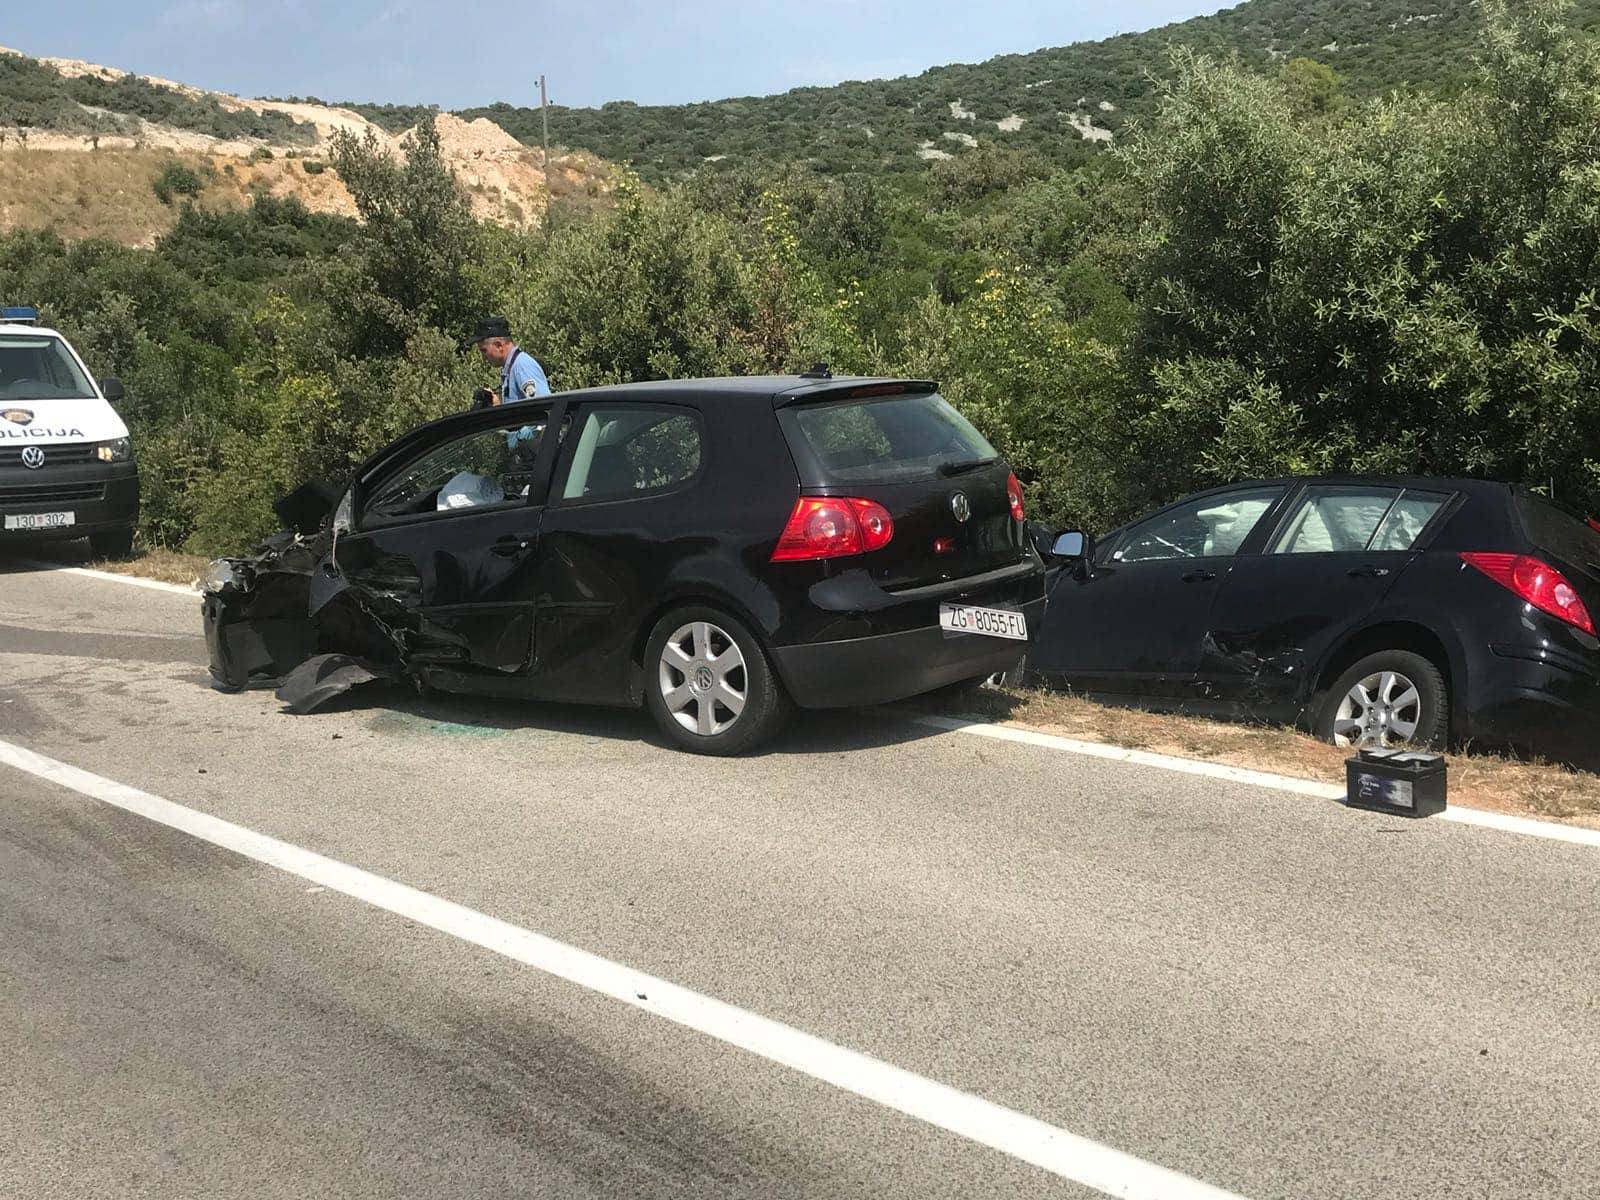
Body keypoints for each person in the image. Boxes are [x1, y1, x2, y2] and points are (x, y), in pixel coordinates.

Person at [468, 316, 551, 407]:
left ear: (499, 345)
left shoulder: (522, 366)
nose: (483, 357)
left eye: (484, 351)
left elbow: (541, 407)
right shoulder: (511, 368)